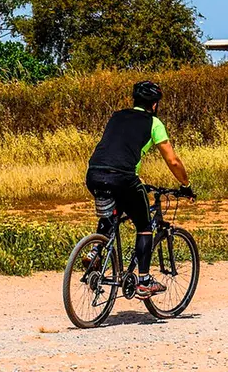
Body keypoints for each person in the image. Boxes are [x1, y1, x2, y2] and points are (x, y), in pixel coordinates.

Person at [84, 80, 195, 298]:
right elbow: (172, 161)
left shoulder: (116, 116)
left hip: (94, 173)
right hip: (123, 178)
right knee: (144, 225)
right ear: (154, 105)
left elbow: (117, 148)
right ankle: (144, 281)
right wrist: (186, 186)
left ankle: (95, 249)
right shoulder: (154, 123)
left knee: (112, 212)